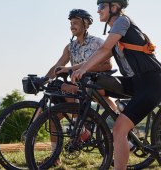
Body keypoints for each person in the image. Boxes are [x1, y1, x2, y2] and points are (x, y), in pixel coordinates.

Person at [71, 0, 161, 170]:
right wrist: (74, 69)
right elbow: (103, 52)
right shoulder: (116, 29)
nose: (98, 11)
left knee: (118, 130)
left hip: (150, 83)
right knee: (97, 84)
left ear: (114, 8)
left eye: (101, 7)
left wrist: (83, 69)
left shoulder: (122, 21)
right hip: (134, 82)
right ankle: (121, 109)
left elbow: (104, 49)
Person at [44, 9, 113, 166]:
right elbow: (58, 65)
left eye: (75, 23)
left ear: (86, 24)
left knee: (70, 88)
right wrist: (44, 79)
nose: (72, 26)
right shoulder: (70, 47)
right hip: (77, 91)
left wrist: (81, 69)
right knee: (52, 119)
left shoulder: (97, 43)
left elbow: (108, 64)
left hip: (95, 85)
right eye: (71, 23)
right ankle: (55, 158)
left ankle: (84, 131)